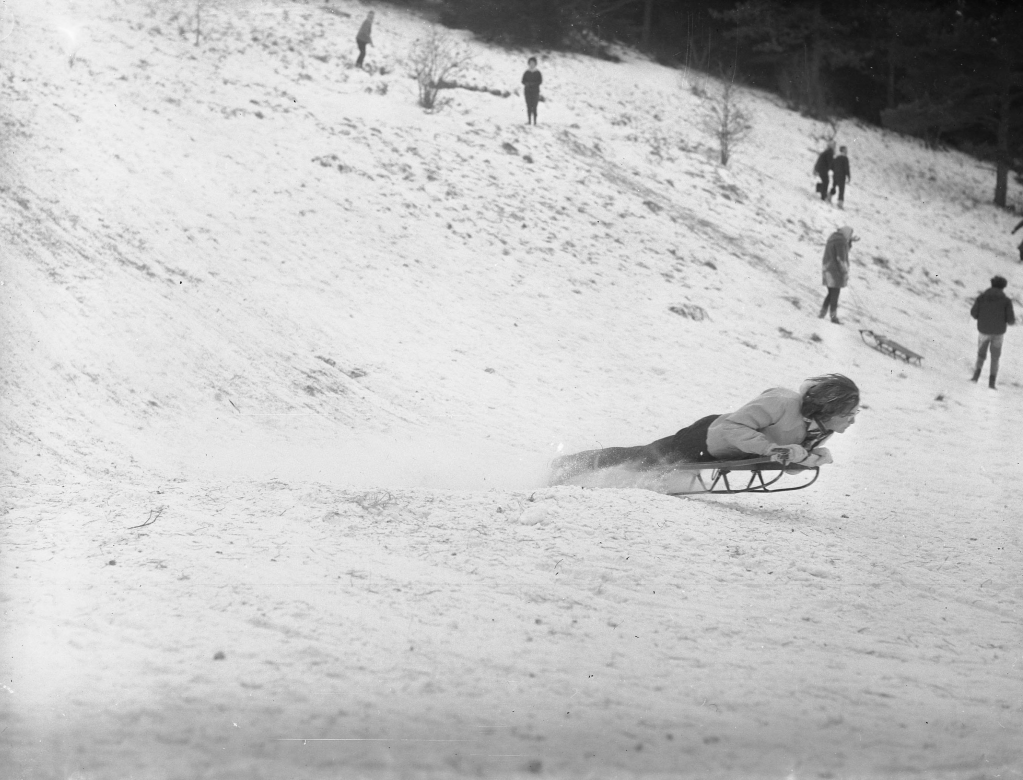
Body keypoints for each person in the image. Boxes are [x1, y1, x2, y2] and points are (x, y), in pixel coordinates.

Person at [548, 374, 860, 485]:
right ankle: (570, 464)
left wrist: (809, 458)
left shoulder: (820, 428)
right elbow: (735, 427)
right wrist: (772, 450)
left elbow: (788, 462)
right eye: (849, 413)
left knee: (647, 461)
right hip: (708, 437)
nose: (852, 421)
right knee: (643, 458)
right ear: (828, 408)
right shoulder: (782, 401)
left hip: (727, 451)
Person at [970, 275, 1016, 390]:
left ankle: (976, 376)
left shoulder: (981, 297)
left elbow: (974, 313)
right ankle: (992, 382)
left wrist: (982, 317)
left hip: (983, 330)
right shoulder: (1006, 301)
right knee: (995, 357)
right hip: (998, 333)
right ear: (1003, 287)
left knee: (981, 354)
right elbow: (1011, 320)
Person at [818, 225, 857, 324]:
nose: (849, 236)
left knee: (831, 293)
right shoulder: (841, 241)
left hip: (827, 269)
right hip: (835, 272)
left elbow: (844, 251)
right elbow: (841, 258)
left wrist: (849, 242)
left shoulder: (834, 238)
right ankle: (833, 317)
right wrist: (844, 272)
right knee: (835, 294)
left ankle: (822, 313)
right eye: (850, 234)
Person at [521, 57, 542, 125]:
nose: (531, 64)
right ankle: (529, 121)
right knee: (529, 106)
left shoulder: (538, 72)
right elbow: (522, 81)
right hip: (527, 92)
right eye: (530, 63)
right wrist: (526, 83)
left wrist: (533, 84)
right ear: (528, 63)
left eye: (533, 63)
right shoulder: (526, 72)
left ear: (535, 64)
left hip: (535, 92)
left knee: (534, 106)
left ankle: (535, 121)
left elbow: (540, 81)